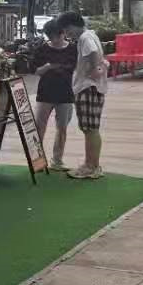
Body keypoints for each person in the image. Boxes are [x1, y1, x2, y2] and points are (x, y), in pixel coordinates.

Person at [58, 12, 107, 179]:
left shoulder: (85, 38)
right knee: (91, 128)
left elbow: (93, 54)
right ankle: (93, 165)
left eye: (66, 29)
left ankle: (90, 166)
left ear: (73, 25)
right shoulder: (90, 34)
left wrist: (93, 70)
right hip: (93, 87)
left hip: (87, 88)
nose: (66, 34)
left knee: (89, 129)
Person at [32, 20, 77, 171]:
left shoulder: (72, 49)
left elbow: (74, 68)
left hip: (65, 93)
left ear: (63, 34)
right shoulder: (42, 49)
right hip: (45, 92)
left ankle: (57, 160)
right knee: (39, 126)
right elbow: (35, 71)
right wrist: (47, 67)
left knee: (62, 127)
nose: (54, 40)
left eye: (56, 37)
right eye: (50, 37)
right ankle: (37, 160)